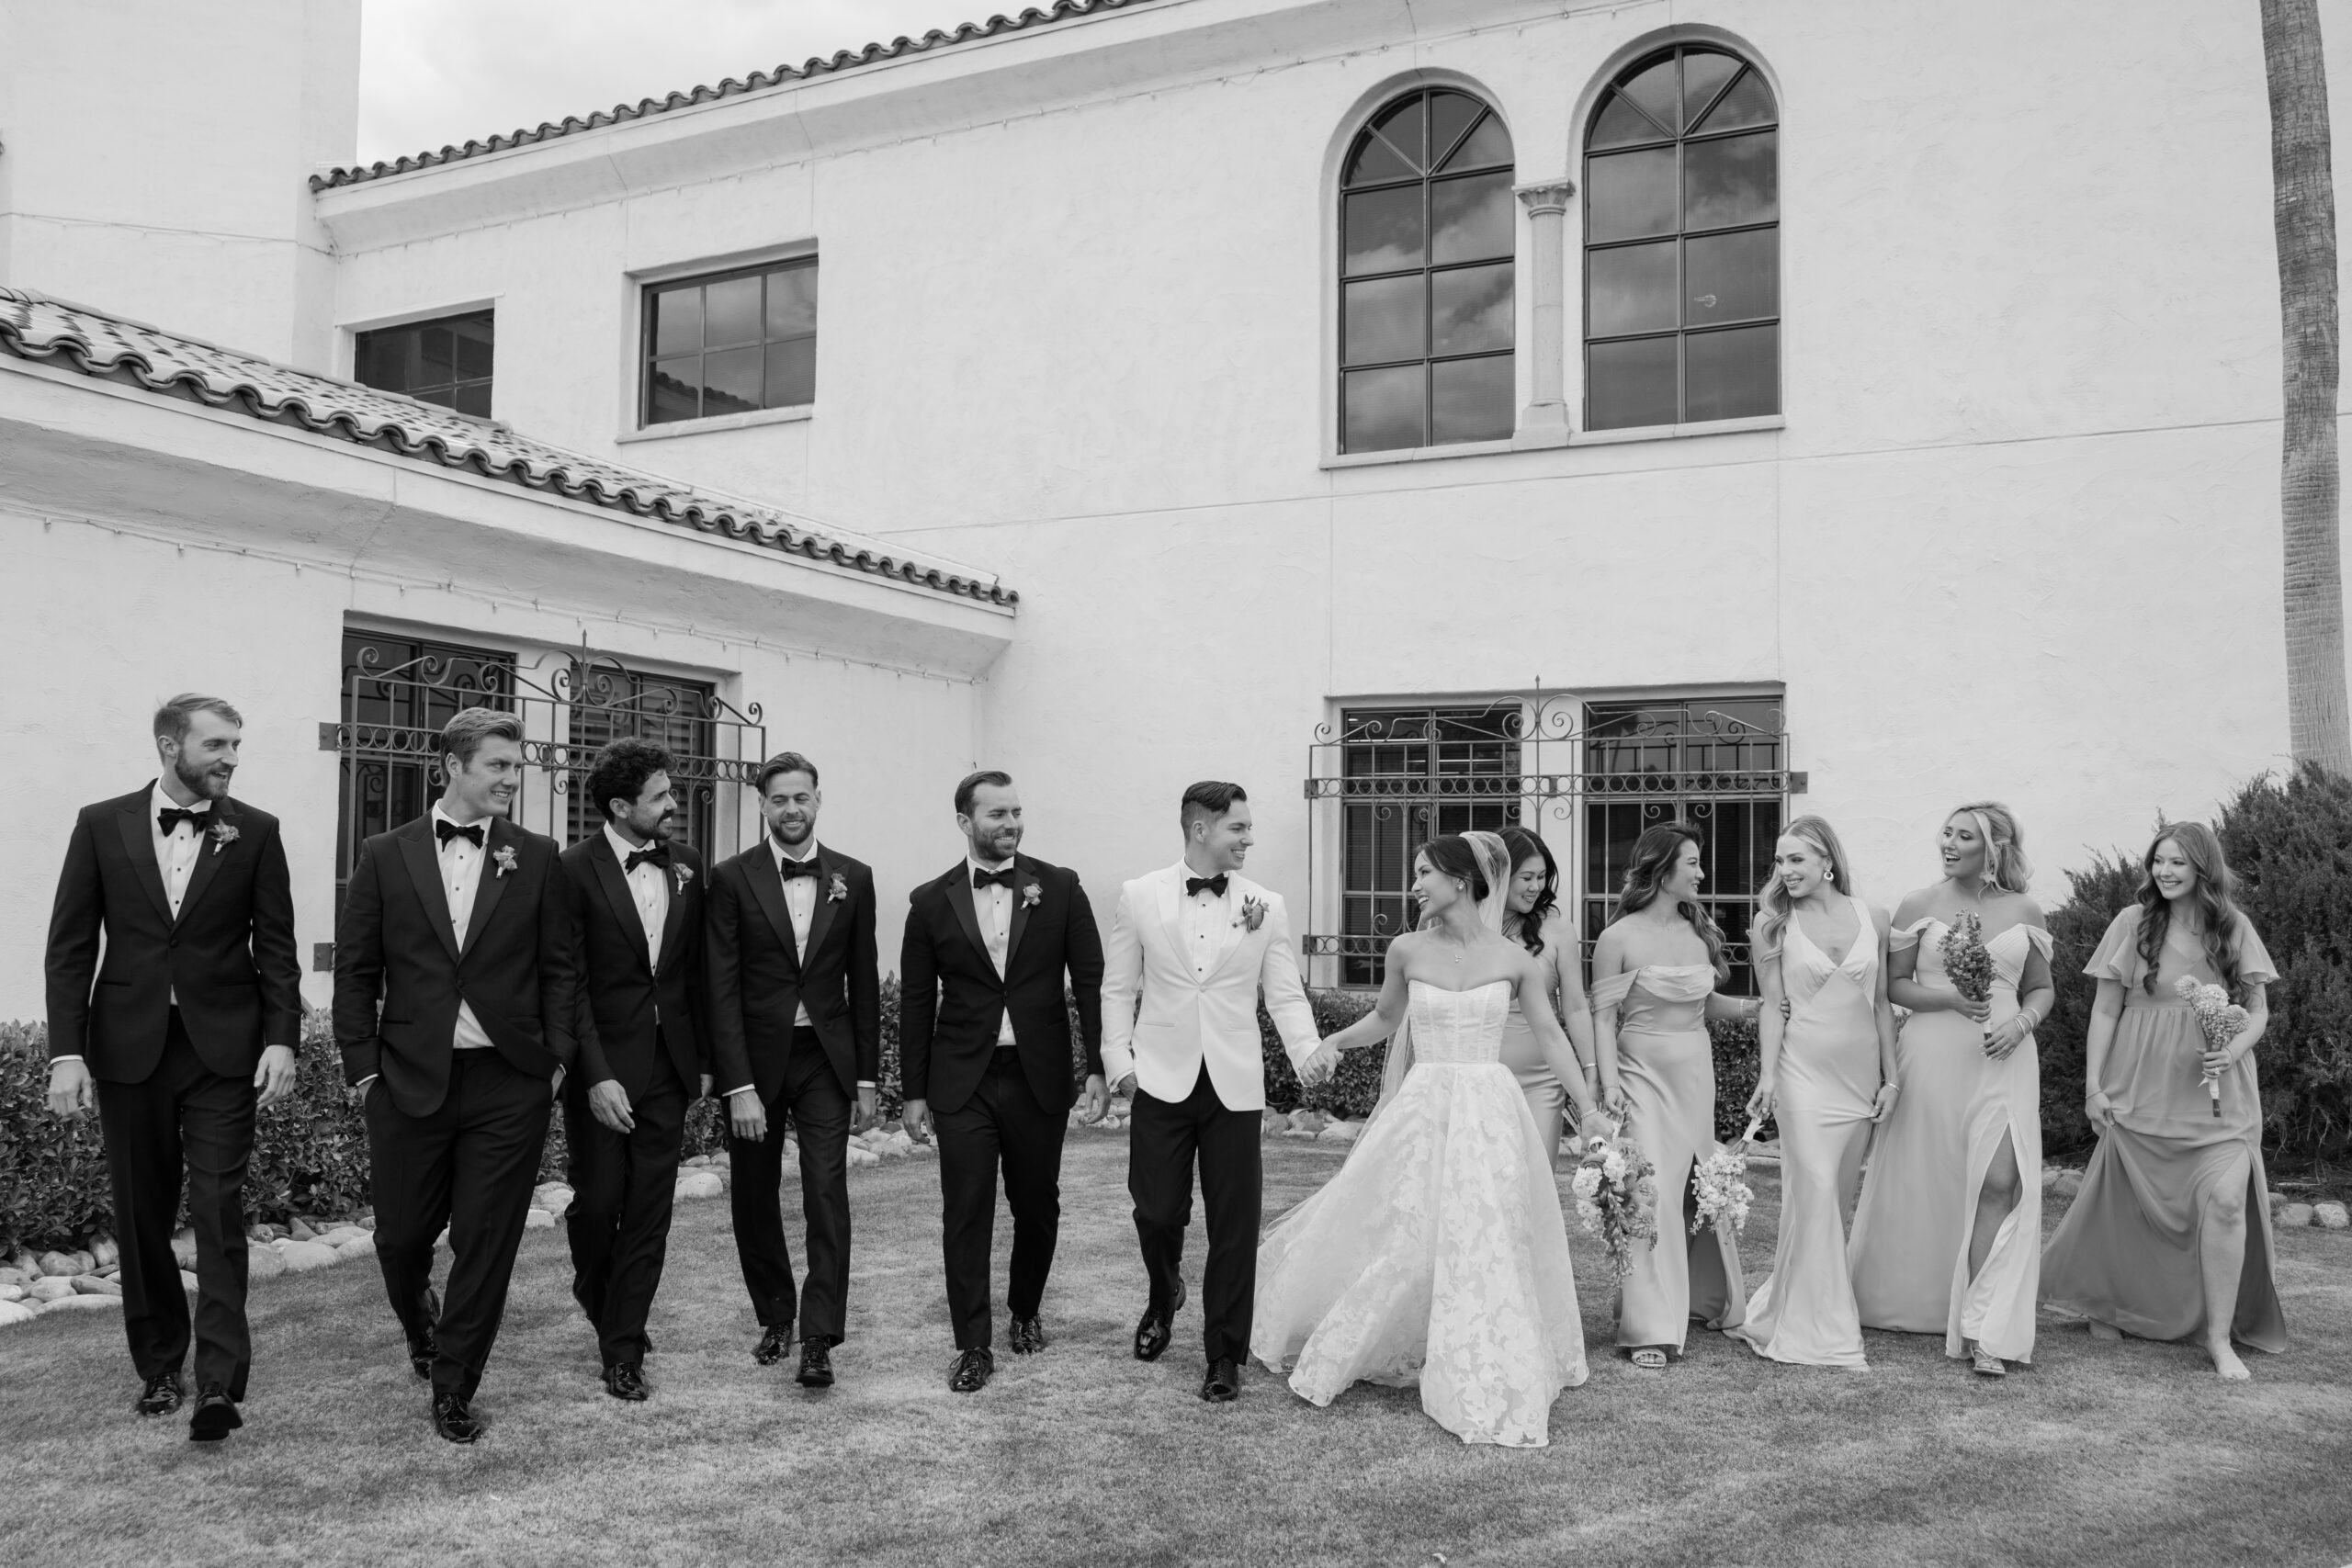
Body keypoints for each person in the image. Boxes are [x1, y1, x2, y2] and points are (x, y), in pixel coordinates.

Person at [1254, 832, 1600, 1448]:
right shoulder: (1407, 949)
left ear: (1461, 880)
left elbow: (1550, 1035)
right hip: (1424, 1105)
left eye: (1423, 873)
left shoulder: (1514, 958)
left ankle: (1480, 1350)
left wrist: (1590, 1105)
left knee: (1486, 1230)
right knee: (1409, 1231)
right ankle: (1388, 1338)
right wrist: (1333, 1042)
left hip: (1490, 1107)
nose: (1413, 884)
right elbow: (1386, 1018)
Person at [43, 694, 301, 1443]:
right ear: (169, 745)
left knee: (221, 1211)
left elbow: (277, 946)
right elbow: (69, 945)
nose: (230, 757)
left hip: (224, 1050)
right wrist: (68, 1050)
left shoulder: (255, 830)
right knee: (142, 1213)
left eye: (236, 745)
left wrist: (281, 1037)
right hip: (129, 1048)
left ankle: (219, 1383)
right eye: (217, 744)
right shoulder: (101, 822)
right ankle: (160, 1362)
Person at [334, 706, 578, 1443]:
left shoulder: (537, 854)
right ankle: (421, 1323)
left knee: (487, 1236)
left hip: (511, 1082)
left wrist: (556, 1058)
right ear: (454, 767)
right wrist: (363, 1071)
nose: (514, 777)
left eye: (517, 764)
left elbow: (560, 967)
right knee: (402, 1237)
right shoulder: (385, 852)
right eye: (499, 765)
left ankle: (455, 1382)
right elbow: (356, 973)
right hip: (406, 1079)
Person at [1101, 782, 1321, 1403]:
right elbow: (1118, 988)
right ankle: (1164, 1285)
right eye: (1239, 827)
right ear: (1201, 829)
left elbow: (1283, 992)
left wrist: (1308, 1054)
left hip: (1234, 1084)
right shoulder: (1139, 895)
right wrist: (1121, 1064)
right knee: (1157, 1209)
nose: (1249, 838)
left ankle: (1224, 1352)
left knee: (1234, 1222)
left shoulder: (1265, 904)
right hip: (1160, 1079)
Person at [2040, 822, 2283, 1380]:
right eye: (2158, 862)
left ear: (2203, 868)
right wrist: (2093, 1087)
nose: (2165, 872)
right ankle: (2113, 1302)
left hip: (2217, 1096)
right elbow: (2105, 1010)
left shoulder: (2233, 926)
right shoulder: (2133, 923)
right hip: (2139, 1087)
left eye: (2177, 862)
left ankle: (2219, 1339)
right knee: (2129, 1205)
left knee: (2225, 1200)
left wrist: (2236, 1045)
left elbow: (2260, 1009)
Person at [899, 770, 1106, 1393]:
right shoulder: (929, 902)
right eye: (997, 815)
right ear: (966, 822)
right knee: (965, 1210)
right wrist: (913, 1091)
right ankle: (973, 1343)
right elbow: (915, 1000)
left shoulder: (1062, 887)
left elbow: (1092, 980)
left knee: (1037, 1204)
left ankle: (1024, 1309)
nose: (1011, 823)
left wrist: (1096, 1064)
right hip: (961, 1079)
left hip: (1037, 1075)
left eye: (1016, 811)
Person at [1846, 802, 2052, 1377]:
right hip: (1933, 1054)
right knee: (1927, 1173)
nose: (1950, 843)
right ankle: (1918, 1300)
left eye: (1965, 836)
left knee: (2001, 1181)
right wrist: (1952, 1000)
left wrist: (2020, 1024)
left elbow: (2041, 989)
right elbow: (1896, 986)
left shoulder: (2024, 909)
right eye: (1947, 832)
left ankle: (1986, 1326)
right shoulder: (1919, 905)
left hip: (2004, 1056)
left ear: (1995, 848)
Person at [706, 750, 879, 1390]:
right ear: (762, 804)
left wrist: (865, 1077)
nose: (791, 809)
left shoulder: (853, 877)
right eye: (779, 799)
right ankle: (775, 1313)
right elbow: (719, 985)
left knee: (825, 1191)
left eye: (801, 797)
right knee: (754, 1196)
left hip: (825, 1061)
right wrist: (738, 1084)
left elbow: (863, 981)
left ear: (818, 799)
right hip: (755, 1063)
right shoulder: (730, 878)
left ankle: (818, 1335)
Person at [555, 737, 710, 1401]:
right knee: (597, 1207)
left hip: (669, 1069)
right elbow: (568, 982)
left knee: (650, 1211)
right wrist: (593, 1075)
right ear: (620, 807)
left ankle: (623, 1347)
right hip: (603, 1072)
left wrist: (702, 1061)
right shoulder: (569, 869)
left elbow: (698, 971)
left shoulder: (689, 866)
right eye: (660, 797)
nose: (674, 805)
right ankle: (600, 1295)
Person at [1724, 816, 1897, 1368]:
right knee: (1817, 1189)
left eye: (1795, 859)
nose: (1784, 870)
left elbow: (1881, 1004)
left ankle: (1786, 1308)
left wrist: (1892, 1078)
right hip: (1801, 1072)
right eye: (1779, 861)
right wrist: (1769, 1076)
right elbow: (1774, 1004)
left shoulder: (1875, 917)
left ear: (1827, 860)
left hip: (1858, 1077)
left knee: (1824, 1202)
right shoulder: (1772, 923)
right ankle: (1824, 1333)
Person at [1589, 821, 1758, 1371]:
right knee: (1648, 1191)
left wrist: (1753, 1010)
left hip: (1694, 1068)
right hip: (1640, 1071)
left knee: (1693, 1187)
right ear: (1661, 869)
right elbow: (1604, 1016)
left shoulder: (1698, 931)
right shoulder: (1618, 938)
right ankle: (1647, 1326)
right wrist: (1609, 1084)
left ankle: (1694, 1298)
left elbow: (1704, 1003)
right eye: (1692, 863)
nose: (1702, 874)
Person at [1497, 827, 1596, 1165]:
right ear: (1499, 875)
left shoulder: (1557, 929)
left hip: (1542, 1079)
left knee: (1536, 1182)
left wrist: (1590, 1073)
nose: (1536, 886)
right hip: (1482, 1078)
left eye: (1541, 876)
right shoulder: (1471, 930)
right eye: (1526, 877)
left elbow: (1576, 1008)